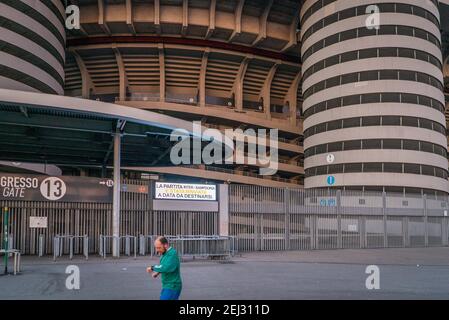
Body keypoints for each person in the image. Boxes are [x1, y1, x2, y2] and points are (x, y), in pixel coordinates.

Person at [147, 236, 182, 300]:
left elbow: (166, 267)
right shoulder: (165, 253)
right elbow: (163, 265)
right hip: (167, 285)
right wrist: (157, 272)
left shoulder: (172, 254)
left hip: (172, 286)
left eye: (159, 247)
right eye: (156, 248)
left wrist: (152, 268)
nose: (157, 250)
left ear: (165, 245)